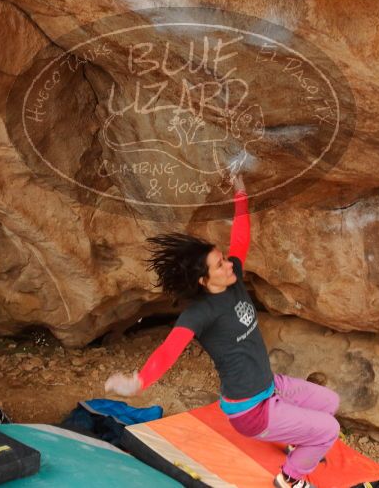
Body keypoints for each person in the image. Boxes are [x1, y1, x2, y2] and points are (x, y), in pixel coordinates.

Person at [105, 176, 340, 488]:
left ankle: (297, 439)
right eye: (219, 265)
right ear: (203, 280)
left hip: (270, 388)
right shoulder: (200, 313)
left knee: (328, 402)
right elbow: (168, 351)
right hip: (252, 411)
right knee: (329, 429)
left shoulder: (234, 279)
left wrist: (240, 194)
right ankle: (290, 479)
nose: (228, 265)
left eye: (224, 259)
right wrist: (139, 382)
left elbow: (241, 240)